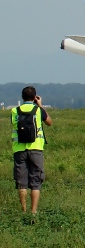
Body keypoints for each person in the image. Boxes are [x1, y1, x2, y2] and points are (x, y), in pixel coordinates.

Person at [10, 86, 53, 216]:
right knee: (36, 181)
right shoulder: (38, 110)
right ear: (35, 97)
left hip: (19, 149)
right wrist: (40, 105)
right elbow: (49, 122)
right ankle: (33, 212)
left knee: (21, 181)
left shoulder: (14, 110)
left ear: (22, 97)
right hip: (36, 148)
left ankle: (23, 210)